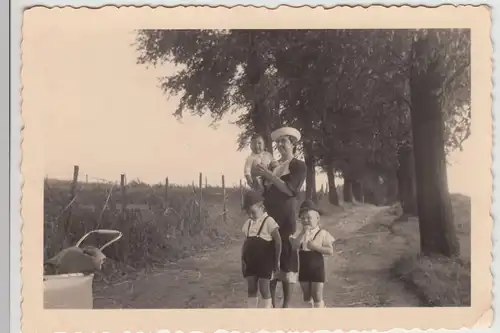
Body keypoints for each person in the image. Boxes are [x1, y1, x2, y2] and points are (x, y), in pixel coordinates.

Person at [253, 126, 307, 308]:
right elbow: (265, 192)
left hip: (286, 217)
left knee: (286, 256)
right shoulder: (274, 167)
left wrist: (269, 175)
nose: (280, 145)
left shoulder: (298, 166)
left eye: (284, 141)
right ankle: (272, 306)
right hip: (270, 216)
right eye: (278, 142)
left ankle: (286, 307)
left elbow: (289, 190)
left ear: (293, 145)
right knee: (269, 256)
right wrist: (257, 179)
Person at [241, 190, 282, 308]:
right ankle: (252, 314)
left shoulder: (269, 221)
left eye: (253, 212)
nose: (250, 215)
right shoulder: (248, 223)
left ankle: (266, 314)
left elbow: (278, 241)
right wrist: (242, 260)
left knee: (264, 288)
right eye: (248, 213)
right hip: (250, 261)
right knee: (251, 288)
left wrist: (277, 260)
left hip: (265, 262)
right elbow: (245, 243)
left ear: (261, 207)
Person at [290, 200, 335, 308]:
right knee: (306, 295)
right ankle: (309, 317)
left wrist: (316, 247)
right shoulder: (298, 234)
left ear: (317, 219)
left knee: (317, 294)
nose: (305, 220)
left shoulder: (323, 234)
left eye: (309, 217)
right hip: (304, 267)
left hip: (317, 268)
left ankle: (319, 315)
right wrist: (302, 233)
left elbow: (330, 251)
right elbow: (294, 246)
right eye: (303, 218)